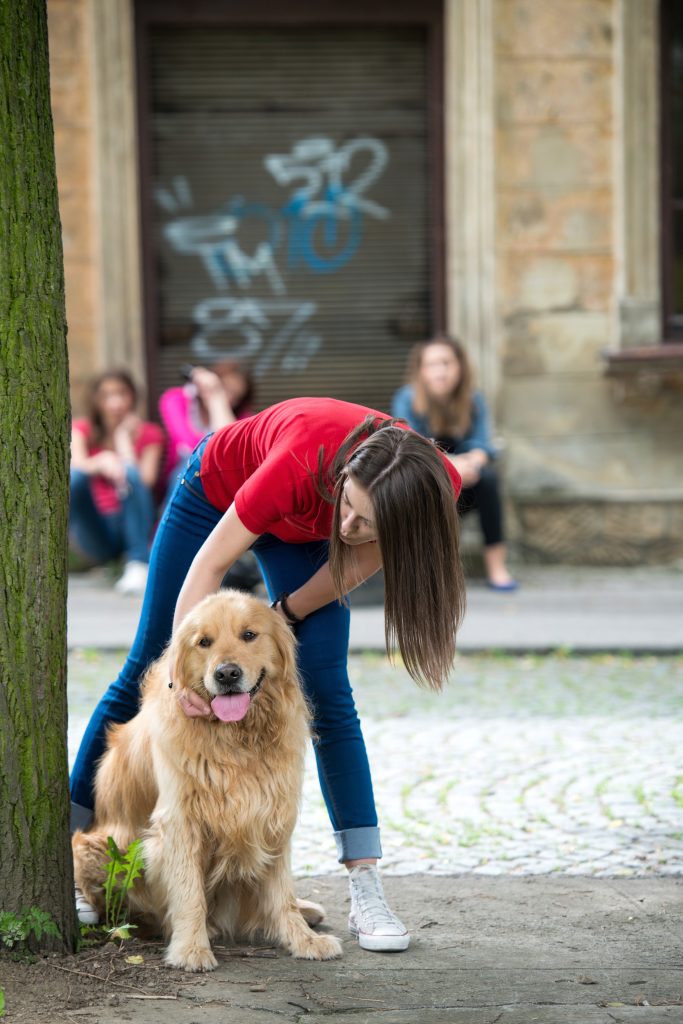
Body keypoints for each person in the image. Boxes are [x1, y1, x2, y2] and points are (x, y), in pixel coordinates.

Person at [71, 397, 466, 952]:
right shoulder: (298, 463)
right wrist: (180, 680)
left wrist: (285, 616)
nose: (352, 526)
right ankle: (64, 850)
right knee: (147, 663)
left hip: (307, 530)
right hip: (218, 495)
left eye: (367, 522)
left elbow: (354, 560)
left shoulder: (426, 490)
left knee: (328, 689)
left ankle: (366, 883)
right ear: (346, 475)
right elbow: (209, 566)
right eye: (349, 506)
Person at [392, 335, 517, 591]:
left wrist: (472, 462)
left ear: (460, 367)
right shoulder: (407, 398)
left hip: (465, 483)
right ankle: (426, 572)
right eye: (432, 364)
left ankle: (496, 567)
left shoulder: (473, 399)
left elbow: (483, 443)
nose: (441, 371)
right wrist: (450, 466)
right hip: (427, 484)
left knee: (489, 480)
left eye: (447, 363)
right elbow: (411, 444)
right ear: (421, 371)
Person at [70, 370, 164, 596]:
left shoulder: (150, 433)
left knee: (131, 473)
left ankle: (138, 563)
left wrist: (123, 440)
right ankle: (119, 562)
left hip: (133, 522)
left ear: (132, 396)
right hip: (97, 526)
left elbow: (145, 481)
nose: (116, 401)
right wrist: (102, 461)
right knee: (75, 478)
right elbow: (77, 466)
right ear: (96, 400)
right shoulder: (82, 430)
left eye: (122, 393)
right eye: (106, 395)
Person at [158, 360, 254, 487]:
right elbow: (188, 446)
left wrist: (218, 402)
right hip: (179, 479)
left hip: (218, 481)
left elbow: (230, 450)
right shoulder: (176, 399)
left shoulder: (242, 416)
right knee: (191, 463)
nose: (228, 398)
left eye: (235, 396)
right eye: (224, 388)